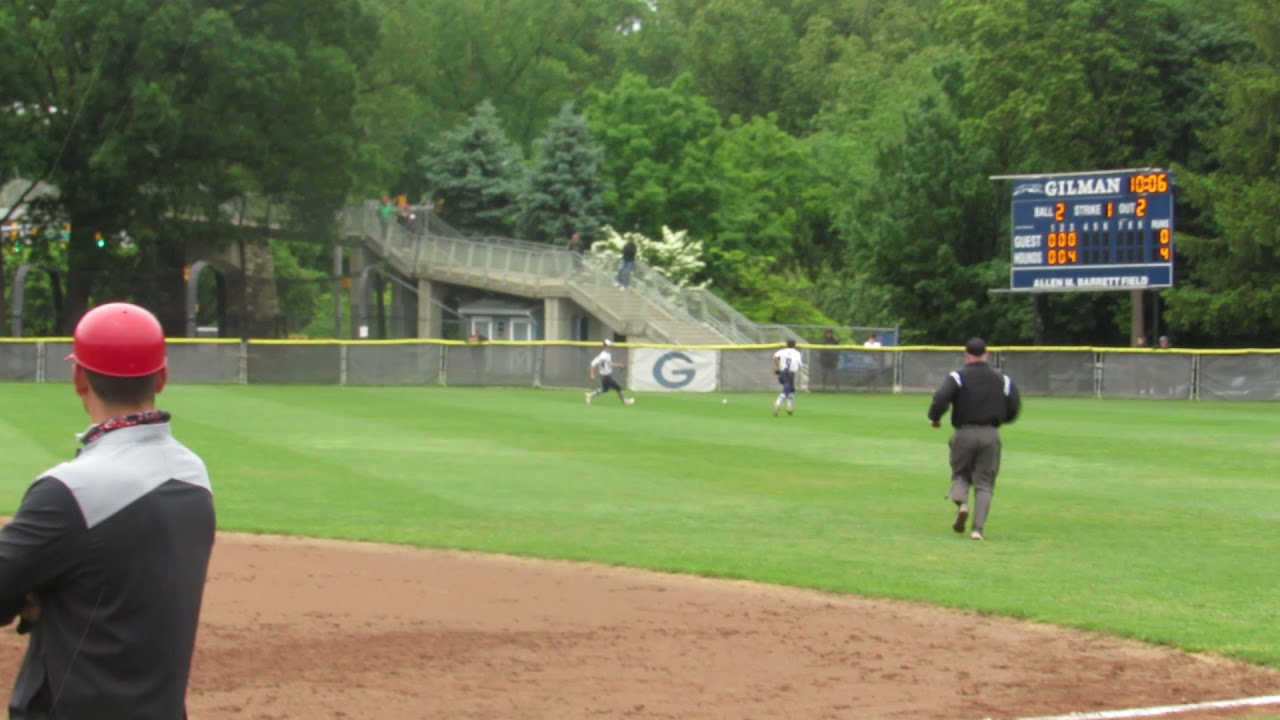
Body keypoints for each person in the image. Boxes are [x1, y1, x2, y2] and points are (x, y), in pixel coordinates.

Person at [0, 302, 216, 718]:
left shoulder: (68, 492)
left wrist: (37, 592)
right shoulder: (194, 478)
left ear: (79, 377)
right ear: (163, 375)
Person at [926, 337, 1021, 541]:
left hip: (964, 432)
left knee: (960, 474)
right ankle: (977, 530)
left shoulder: (957, 377)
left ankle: (962, 505)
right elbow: (1014, 407)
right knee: (985, 483)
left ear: (966, 355)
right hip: (990, 434)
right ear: (986, 355)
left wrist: (935, 418)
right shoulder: (1003, 380)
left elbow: (941, 398)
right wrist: (1000, 419)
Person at [587, 339, 634, 405]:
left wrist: (619, 365)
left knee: (605, 389)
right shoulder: (603, 355)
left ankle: (590, 395)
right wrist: (592, 374)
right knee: (618, 387)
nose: (611, 347)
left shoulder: (607, 354)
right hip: (605, 377)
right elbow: (592, 363)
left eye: (611, 346)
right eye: (609, 346)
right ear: (605, 347)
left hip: (606, 376)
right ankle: (624, 400)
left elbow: (609, 363)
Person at [772, 339, 804, 416]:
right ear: (795, 345)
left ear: (786, 344)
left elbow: (775, 357)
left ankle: (789, 407)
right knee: (787, 388)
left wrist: (778, 367)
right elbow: (800, 364)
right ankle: (777, 403)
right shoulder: (797, 353)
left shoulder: (782, 351)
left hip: (782, 372)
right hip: (790, 373)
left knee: (791, 390)